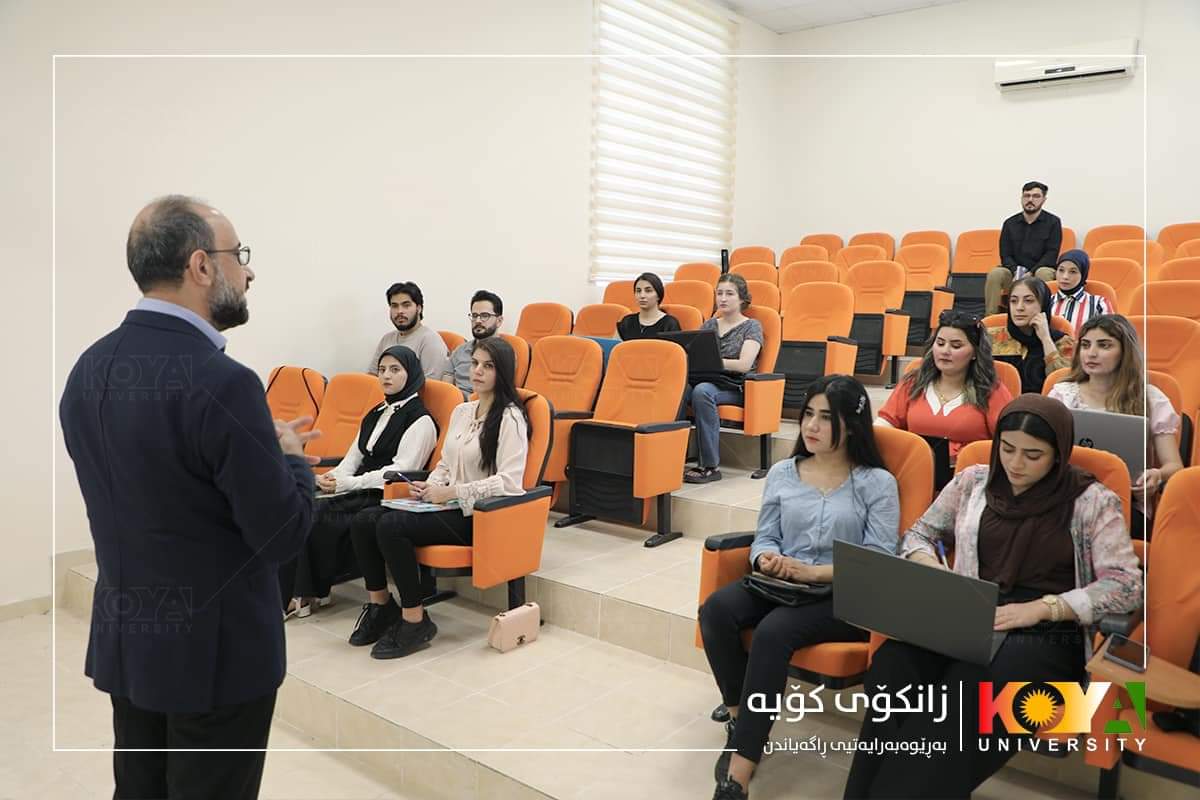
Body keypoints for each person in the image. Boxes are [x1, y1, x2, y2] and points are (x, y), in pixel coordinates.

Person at [58, 196, 318, 799]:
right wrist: (290, 458)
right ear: (201, 266)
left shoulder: (88, 369)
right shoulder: (223, 382)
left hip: (132, 641)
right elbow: (283, 534)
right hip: (215, 659)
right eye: (238, 255)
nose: (248, 272)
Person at [843, 395, 1142, 799]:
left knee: (970, 692)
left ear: (1058, 454)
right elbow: (919, 535)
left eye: (1033, 455)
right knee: (893, 668)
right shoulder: (973, 482)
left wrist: (1043, 608)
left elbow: (1126, 585)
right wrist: (930, 566)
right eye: (1007, 449)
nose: (1016, 464)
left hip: (1044, 634)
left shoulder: (1091, 501)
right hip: (971, 615)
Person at [700, 376, 900, 800]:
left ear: (852, 425)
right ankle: (739, 719)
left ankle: (738, 774)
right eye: (808, 414)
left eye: (826, 418)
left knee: (774, 631)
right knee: (716, 609)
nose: (811, 425)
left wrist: (813, 573)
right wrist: (765, 559)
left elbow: (878, 561)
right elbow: (766, 536)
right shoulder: (783, 473)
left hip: (842, 595)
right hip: (782, 581)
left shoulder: (876, 483)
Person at [347, 336, 530, 658]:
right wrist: (429, 486)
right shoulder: (462, 410)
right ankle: (381, 607)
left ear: (502, 372)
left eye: (488, 366)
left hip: (479, 515)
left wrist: (453, 492)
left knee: (391, 526)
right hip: (447, 505)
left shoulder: (510, 418)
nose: (477, 371)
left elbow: (509, 482)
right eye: (475, 364)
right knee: (364, 520)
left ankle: (414, 620)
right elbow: (445, 464)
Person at [278, 345, 437, 618]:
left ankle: (305, 594)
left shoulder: (421, 421)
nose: (386, 376)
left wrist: (346, 485)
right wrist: (330, 478)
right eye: (382, 369)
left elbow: (400, 471)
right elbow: (352, 460)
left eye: (395, 370)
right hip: (360, 488)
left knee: (320, 515)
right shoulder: (375, 413)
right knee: (298, 506)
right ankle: (290, 592)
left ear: (411, 374)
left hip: (387, 494)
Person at [1048, 314, 1183, 537]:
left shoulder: (1151, 398)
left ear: (1125, 352)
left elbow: (1174, 465)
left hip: (1124, 501)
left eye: (1104, 345)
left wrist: (1157, 475)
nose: (1091, 353)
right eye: (1086, 345)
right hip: (1066, 495)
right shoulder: (1062, 394)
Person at [876, 309, 1013, 463]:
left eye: (956, 346)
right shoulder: (913, 382)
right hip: (916, 467)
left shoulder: (991, 390)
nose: (945, 351)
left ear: (975, 352)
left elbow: (1009, 440)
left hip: (970, 472)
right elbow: (885, 424)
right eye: (940, 343)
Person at [683, 273, 763, 484]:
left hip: (735, 387)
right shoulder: (709, 325)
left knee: (702, 391)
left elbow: (744, 364)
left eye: (729, 294)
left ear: (742, 298)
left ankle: (710, 466)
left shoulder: (752, 326)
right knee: (679, 389)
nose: (723, 298)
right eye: (719, 293)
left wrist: (714, 361)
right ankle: (673, 455)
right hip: (707, 380)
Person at [986, 275, 1074, 394]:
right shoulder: (991, 338)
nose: (1019, 308)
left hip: (1044, 404)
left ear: (1043, 305)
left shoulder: (1063, 342)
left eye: (1028, 301)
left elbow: (1063, 388)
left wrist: (1046, 338)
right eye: (1013, 301)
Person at [984, 181, 1062, 314]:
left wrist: (1031, 273)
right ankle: (990, 318)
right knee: (996, 274)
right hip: (1014, 272)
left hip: (1038, 271)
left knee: (1044, 273)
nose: (1030, 200)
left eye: (1036, 196)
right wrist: (1016, 271)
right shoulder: (1010, 223)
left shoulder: (1053, 222)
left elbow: (1051, 254)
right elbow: (1005, 254)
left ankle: (1043, 315)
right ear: (1021, 198)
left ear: (1044, 199)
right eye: (1027, 196)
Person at [367, 281, 450, 380]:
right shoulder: (387, 338)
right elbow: (372, 376)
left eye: (406, 305)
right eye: (394, 306)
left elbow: (431, 385)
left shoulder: (430, 340)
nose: (399, 311)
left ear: (419, 309)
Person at [444, 289, 504, 398]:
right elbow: (446, 389)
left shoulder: (505, 354)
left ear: (499, 321)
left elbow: (499, 395)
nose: (478, 321)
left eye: (485, 315)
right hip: (455, 404)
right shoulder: (460, 351)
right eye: (475, 315)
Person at [1049, 249, 1112, 335]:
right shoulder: (1046, 302)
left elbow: (1109, 335)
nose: (1065, 276)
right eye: (1061, 270)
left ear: (1083, 274)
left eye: (1073, 272)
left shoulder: (1099, 303)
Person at [616, 271, 682, 340]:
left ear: (658, 295)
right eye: (638, 291)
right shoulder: (627, 321)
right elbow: (614, 346)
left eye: (648, 291)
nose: (642, 296)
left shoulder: (669, 324)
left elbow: (676, 347)